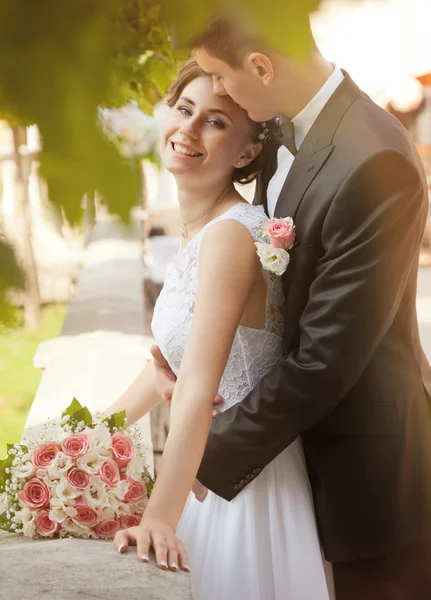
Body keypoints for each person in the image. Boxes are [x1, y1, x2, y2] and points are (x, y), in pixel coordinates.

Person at [151, 14, 431, 600]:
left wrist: (202, 448)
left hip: (369, 483)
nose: (216, 90)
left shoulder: (375, 158)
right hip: (289, 460)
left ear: (260, 67)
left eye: (220, 77)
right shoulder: (278, 129)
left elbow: (324, 358)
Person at [108, 57, 335, 599]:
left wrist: (160, 518)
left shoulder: (231, 236)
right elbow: (167, 365)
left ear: (248, 152)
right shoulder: (202, 228)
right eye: (184, 109)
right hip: (207, 469)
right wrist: (81, 438)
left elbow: (199, 385)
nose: (188, 130)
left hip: (244, 491)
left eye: (214, 121)